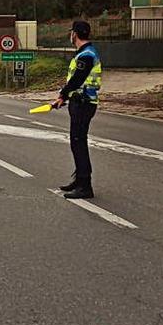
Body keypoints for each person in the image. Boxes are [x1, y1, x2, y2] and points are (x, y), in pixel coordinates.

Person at [51, 21, 102, 199]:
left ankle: (85, 185)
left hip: (84, 104)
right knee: (76, 142)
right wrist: (66, 97)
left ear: (75, 34)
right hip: (80, 101)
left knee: (78, 142)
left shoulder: (86, 55)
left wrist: (62, 94)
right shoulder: (83, 53)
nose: (70, 35)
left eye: (71, 32)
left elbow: (77, 80)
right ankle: (79, 180)